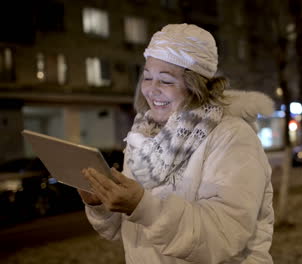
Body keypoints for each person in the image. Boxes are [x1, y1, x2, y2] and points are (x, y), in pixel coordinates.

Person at [78, 23, 275, 263]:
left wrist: (143, 207)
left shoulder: (232, 137)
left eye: (166, 81)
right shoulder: (143, 136)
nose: (151, 90)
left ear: (196, 87)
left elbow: (223, 237)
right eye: (147, 77)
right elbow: (131, 232)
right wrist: (101, 203)